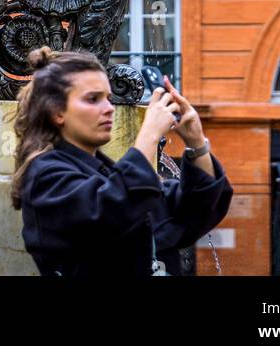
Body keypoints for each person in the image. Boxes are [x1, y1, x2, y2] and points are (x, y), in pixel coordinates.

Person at [12, 46, 232, 277]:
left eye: (108, 98)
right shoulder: (44, 175)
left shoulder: (110, 175)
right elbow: (110, 213)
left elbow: (195, 210)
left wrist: (196, 143)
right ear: (57, 112)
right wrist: (148, 135)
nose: (108, 109)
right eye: (92, 99)